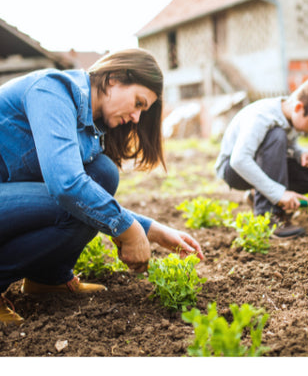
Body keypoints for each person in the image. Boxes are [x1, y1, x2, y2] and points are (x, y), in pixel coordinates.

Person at [0, 48, 204, 326]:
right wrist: (127, 229)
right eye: (138, 103)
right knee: (79, 205)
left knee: (103, 174)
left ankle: (47, 279)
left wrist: (151, 229)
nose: (136, 118)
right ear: (113, 79)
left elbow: (83, 191)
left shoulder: (88, 127)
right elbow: (67, 186)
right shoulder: (51, 92)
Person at [215, 75, 308, 238]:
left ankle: (257, 197)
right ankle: (268, 216)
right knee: (276, 135)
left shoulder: (290, 116)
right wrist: (279, 194)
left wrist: (300, 153)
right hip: (233, 169)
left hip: (256, 163)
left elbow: (288, 145)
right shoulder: (263, 116)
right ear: (298, 108)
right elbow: (239, 159)